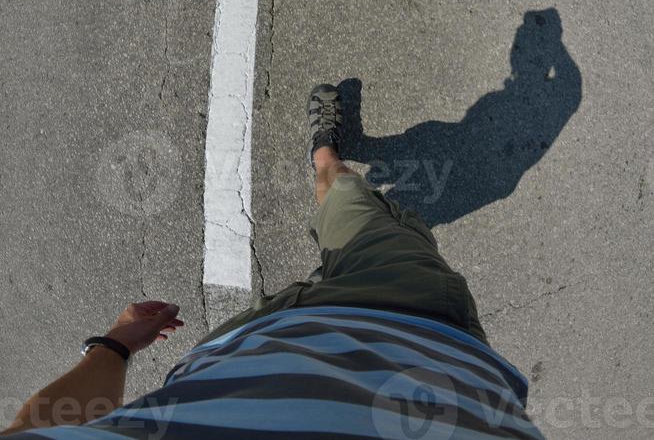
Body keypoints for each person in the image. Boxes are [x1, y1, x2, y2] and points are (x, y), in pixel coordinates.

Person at [3, 85, 544, 438]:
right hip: (410, 321)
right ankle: (333, 167)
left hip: (257, 337)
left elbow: (39, 424)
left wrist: (116, 344)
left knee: (343, 194)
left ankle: (325, 154)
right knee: (364, 214)